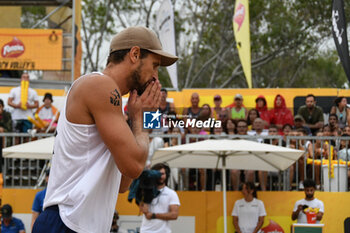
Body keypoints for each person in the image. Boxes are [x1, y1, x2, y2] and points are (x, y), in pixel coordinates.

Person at [32, 26, 178, 233]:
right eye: (154, 66)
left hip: (77, 224)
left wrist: (143, 117)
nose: (156, 77)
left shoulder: (112, 102)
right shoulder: (101, 86)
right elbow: (136, 166)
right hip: (66, 221)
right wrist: (144, 119)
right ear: (135, 54)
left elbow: (124, 183)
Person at [140, 163, 180, 233]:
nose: (161, 176)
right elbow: (143, 210)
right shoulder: (146, 191)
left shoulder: (171, 193)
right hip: (146, 230)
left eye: (163, 174)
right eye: (158, 174)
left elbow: (174, 215)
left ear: (166, 175)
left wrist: (154, 215)